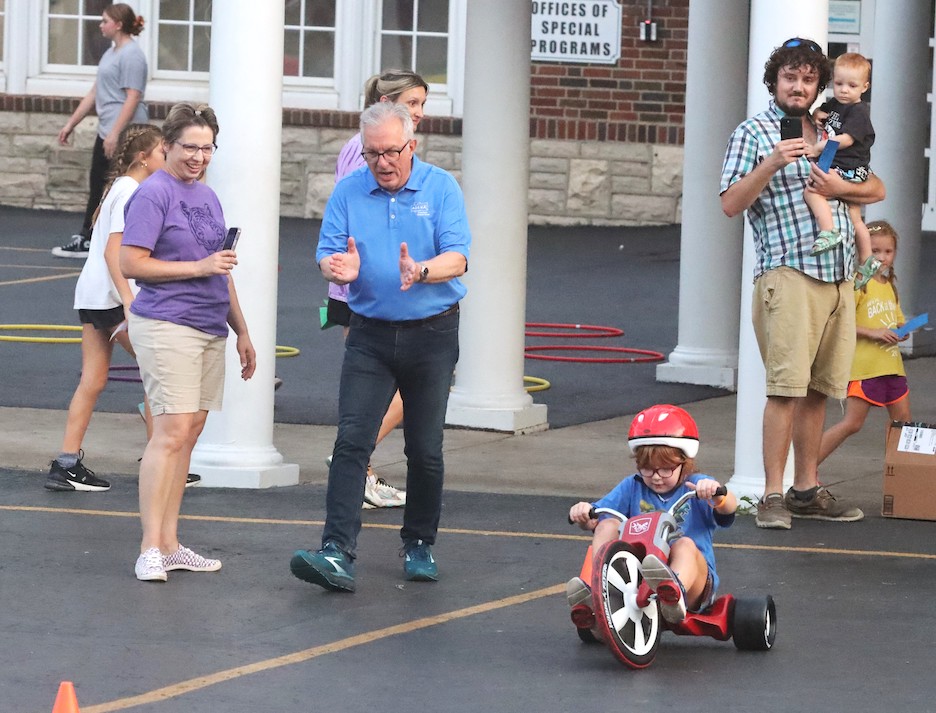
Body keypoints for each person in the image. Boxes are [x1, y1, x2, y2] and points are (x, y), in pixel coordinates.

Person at [290, 101, 471, 592]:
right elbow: (327, 254)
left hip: (432, 333)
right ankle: (336, 550)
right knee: (352, 441)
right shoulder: (349, 190)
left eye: (391, 151)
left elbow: (459, 257)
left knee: (425, 449)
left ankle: (419, 543)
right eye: (372, 154)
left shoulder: (440, 187)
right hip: (369, 334)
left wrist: (423, 270)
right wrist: (337, 269)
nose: (383, 162)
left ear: (413, 145)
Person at [720, 37, 885, 530]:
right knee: (785, 390)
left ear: (819, 85)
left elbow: (878, 188)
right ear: (774, 81)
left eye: (808, 79)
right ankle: (771, 495)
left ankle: (806, 490)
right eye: (790, 77)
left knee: (819, 391)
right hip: (789, 273)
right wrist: (772, 161)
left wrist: (840, 187)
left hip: (839, 276)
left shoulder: (831, 128)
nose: (798, 86)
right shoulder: (752, 132)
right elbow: (730, 203)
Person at [120, 102, 256, 582]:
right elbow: (131, 263)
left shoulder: (207, 196)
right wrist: (197, 267)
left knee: (189, 434)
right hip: (167, 323)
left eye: (207, 148)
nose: (199, 157)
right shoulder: (153, 194)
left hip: (209, 326)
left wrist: (242, 330)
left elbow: (221, 268)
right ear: (167, 146)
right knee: (171, 432)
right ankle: (149, 548)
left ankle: (170, 544)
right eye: (189, 147)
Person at [327, 69, 429, 510]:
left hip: (377, 289)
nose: (420, 113)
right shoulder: (363, 151)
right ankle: (354, 460)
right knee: (389, 388)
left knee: (389, 388)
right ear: (387, 103)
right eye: (413, 103)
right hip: (363, 293)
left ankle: (358, 464)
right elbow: (359, 220)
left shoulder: (372, 145)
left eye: (423, 104)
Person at [45, 124, 163, 492]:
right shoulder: (131, 191)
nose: (168, 157)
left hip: (93, 295)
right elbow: (115, 252)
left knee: (93, 380)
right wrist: (129, 301)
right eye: (162, 152)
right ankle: (160, 460)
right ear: (143, 158)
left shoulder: (120, 187)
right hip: (111, 298)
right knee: (158, 371)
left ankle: (66, 463)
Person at [567, 405, 738, 626]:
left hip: (694, 583)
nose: (656, 477)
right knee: (607, 524)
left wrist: (718, 495)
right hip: (639, 581)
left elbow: (729, 508)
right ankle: (600, 590)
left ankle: (673, 594)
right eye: (647, 468)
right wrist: (584, 515)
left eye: (666, 469)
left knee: (684, 544)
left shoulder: (696, 486)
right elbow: (597, 516)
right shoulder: (633, 485)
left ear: (684, 463)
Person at [53, 3, 148, 259]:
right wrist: (71, 124)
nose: (101, 24)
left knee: (117, 186)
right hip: (108, 131)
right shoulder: (111, 53)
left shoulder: (132, 55)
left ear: (118, 24)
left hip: (125, 134)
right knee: (99, 183)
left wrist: (115, 133)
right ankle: (91, 236)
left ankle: (93, 237)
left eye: (105, 20)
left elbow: (133, 97)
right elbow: (95, 92)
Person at [818, 220, 911, 464]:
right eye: (875, 250)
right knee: (853, 423)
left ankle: (902, 477)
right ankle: (805, 467)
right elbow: (840, 322)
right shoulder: (858, 284)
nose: (882, 257)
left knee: (903, 425)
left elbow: (897, 321)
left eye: (888, 251)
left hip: (892, 366)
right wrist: (874, 333)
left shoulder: (889, 286)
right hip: (865, 368)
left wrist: (902, 331)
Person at [804, 52, 881, 289]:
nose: (844, 90)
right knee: (855, 217)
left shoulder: (858, 112)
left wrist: (819, 147)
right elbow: (822, 111)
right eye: (838, 84)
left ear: (864, 87)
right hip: (846, 166)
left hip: (850, 168)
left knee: (812, 191)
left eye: (852, 86)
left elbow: (846, 140)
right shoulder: (837, 104)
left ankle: (828, 231)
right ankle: (867, 259)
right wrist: (817, 114)